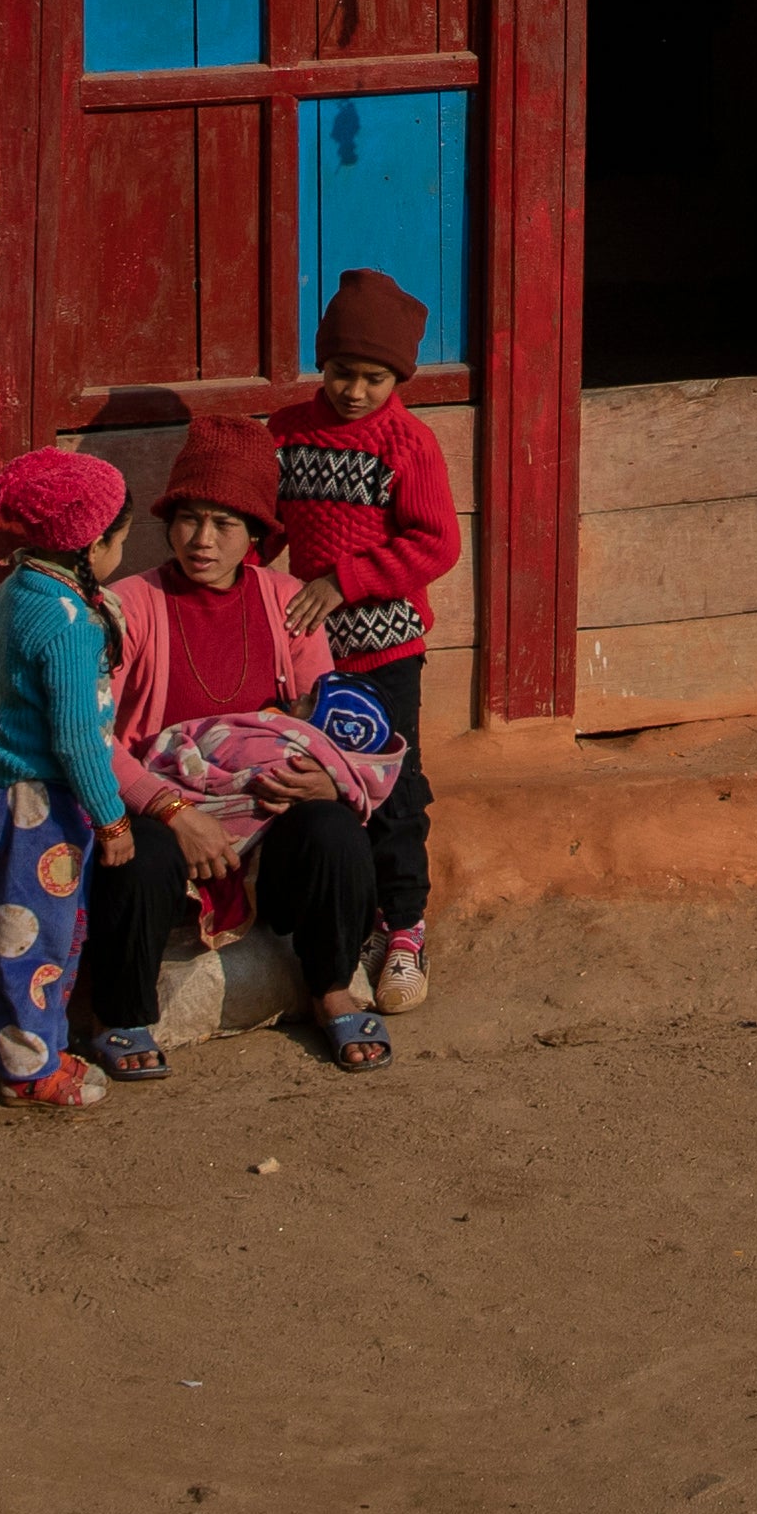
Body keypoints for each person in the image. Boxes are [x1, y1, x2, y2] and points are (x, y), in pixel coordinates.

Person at [78, 417, 407, 1075]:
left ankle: (332, 985)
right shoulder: (128, 607)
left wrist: (325, 780)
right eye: (189, 520)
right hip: (169, 816)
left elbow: (325, 728)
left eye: (224, 526)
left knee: (334, 831)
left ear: (255, 536)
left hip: (267, 830)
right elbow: (92, 733)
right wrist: (174, 812)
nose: (202, 541)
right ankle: (123, 1015)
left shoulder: (288, 605)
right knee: (134, 860)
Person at [272, 269, 464, 1007]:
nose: (355, 391)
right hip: (307, 656)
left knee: (394, 791)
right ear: (323, 364)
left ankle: (405, 930)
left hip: (385, 652)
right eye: (343, 372)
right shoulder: (287, 434)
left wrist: (340, 582)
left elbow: (435, 545)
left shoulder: (407, 444)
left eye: (374, 378)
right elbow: (263, 531)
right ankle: (341, 929)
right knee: (316, 789)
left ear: (398, 378)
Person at [0, 447, 138, 1111]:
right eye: (120, 540)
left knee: (55, 929)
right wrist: (112, 816)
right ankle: (27, 1071)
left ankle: (46, 1047)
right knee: (33, 937)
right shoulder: (68, 623)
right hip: (40, 802)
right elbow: (74, 737)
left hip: (26, 795)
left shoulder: (21, 590)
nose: (122, 551)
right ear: (92, 544)